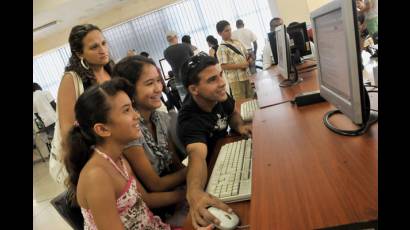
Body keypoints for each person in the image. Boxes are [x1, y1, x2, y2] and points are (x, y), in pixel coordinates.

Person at [64, 78, 175, 229]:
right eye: (126, 110)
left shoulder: (118, 158)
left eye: (132, 108)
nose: (137, 116)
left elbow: (146, 198)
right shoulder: (96, 177)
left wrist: (188, 194)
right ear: (102, 129)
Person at [178, 55, 252, 229]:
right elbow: (197, 156)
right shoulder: (189, 119)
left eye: (220, 75)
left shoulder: (218, 95)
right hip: (209, 170)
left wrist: (240, 126)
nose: (222, 83)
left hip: (224, 154)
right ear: (194, 89)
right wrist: (194, 192)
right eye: (212, 79)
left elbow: (232, 113)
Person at [112, 55, 188, 224]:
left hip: (175, 198)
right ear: (129, 92)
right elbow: (156, 185)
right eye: (149, 83)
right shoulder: (129, 130)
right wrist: (195, 170)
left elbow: (175, 165)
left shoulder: (161, 118)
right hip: (156, 211)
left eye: (158, 81)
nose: (158, 88)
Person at [49, 24, 112, 184]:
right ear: (79, 53)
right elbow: (67, 129)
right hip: (91, 154)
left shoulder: (111, 70)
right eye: (94, 47)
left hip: (116, 146)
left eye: (104, 43)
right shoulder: (71, 79)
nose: (102, 50)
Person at [216, 20, 254, 100]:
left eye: (230, 29)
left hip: (246, 76)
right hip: (236, 81)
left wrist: (249, 59)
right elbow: (223, 66)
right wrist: (241, 65)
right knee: (241, 103)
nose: (229, 32)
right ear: (219, 33)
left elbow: (246, 54)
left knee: (251, 99)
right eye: (226, 31)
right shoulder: (221, 48)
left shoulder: (237, 42)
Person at [163, 31, 194, 101]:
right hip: (190, 76)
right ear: (175, 37)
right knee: (196, 96)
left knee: (186, 100)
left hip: (178, 79)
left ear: (168, 40)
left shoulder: (166, 52)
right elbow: (192, 57)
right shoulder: (185, 46)